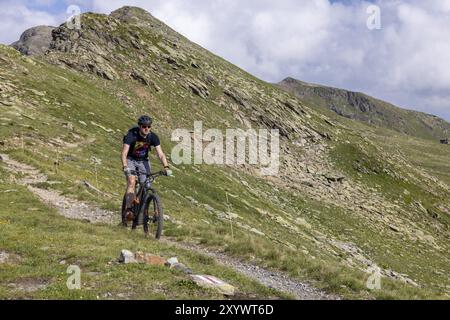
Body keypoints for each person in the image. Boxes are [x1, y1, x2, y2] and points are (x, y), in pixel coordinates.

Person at [121, 115, 172, 226]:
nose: (146, 129)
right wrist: (125, 167)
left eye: (149, 127)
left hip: (143, 161)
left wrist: (166, 167)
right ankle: (129, 209)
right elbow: (124, 153)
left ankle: (144, 210)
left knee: (147, 184)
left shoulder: (153, 137)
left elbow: (160, 154)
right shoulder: (131, 134)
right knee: (131, 181)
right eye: (144, 126)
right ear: (140, 126)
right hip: (131, 160)